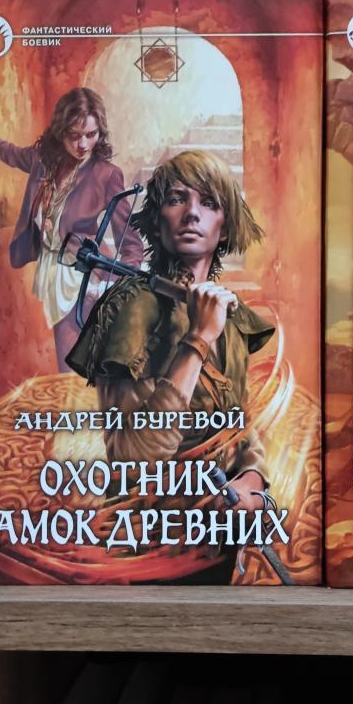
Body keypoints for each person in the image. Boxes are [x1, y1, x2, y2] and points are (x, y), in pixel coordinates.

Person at [66, 149, 275, 582]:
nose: (192, 213)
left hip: (217, 539)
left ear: (225, 226)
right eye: (177, 199)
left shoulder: (229, 314)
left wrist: (252, 483)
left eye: (209, 203)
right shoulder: (131, 308)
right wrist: (197, 340)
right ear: (157, 220)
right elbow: (134, 456)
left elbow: (239, 425)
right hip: (148, 542)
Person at [0, 87, 144, 370]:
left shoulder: (106, 175)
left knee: (76, 369)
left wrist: (115, 286)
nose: (83, 144)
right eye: (74, 135)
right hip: (55, 274)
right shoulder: (43, 160)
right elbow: (7, 152)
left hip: (87, 280)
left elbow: (131, 243)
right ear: (60, 131)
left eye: (91, 135)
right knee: (70, 366)